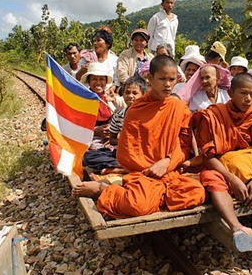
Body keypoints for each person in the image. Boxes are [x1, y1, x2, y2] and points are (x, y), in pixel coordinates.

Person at [72, 55, 205, 218]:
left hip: (169, 171)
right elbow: (127, 154)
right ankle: (104, 190)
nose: (168, 84)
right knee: (137, 206)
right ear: (150, 78)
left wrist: (167, 161)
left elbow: (184, 145)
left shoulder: (178, 107)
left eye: (172, 79)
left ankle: (154, 197)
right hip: (143, 174)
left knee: (197, 193)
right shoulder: (136, 110)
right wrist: (150, 168)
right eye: (162, 79)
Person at [193, 73, 252, 252]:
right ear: (230, 92)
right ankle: (237, 227)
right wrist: (232, 179)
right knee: (209, 176)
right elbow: (208, 156)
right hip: (223, 171)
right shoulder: (213, 115)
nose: (248, 99)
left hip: (249, 171)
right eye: (243, 93)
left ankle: (232, 194)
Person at [83, 75, 147, 174]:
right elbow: (112, 140)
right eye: (127, 92)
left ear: (143, 95)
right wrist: (122, 140)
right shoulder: (118, 115)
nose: (130, 96)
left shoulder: (147, 115)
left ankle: (122, 168)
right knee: (89, 157)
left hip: (140, 153)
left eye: (135, 93)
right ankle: (124, 167)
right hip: (122, 153)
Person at [80, 63, 116, 171]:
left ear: (105, 82)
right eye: (94, 79)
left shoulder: (112, 99)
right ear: (89, 81)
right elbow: (78, 127)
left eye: (101, 79)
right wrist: (96, 131)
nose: (98, 83)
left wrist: (112, 132)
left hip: (111, 138)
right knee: (95, 152)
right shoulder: (83, 100)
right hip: (91, 137)